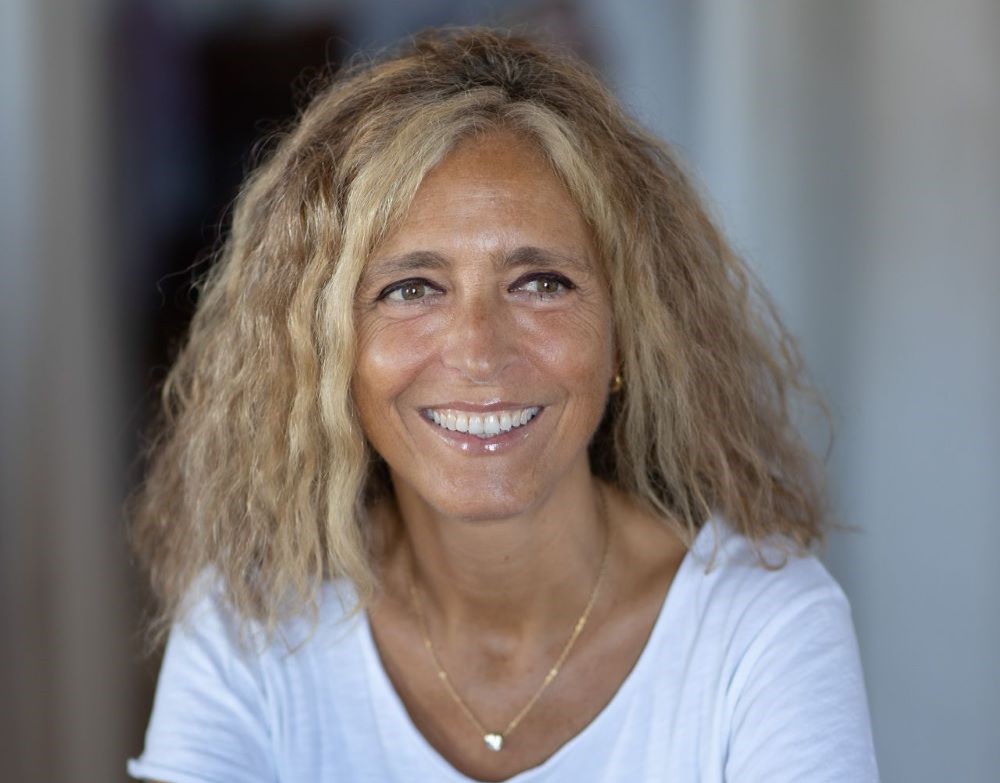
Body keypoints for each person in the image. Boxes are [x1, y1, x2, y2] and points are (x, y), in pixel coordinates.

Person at [126, 27, 880, 783]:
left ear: (627, 336)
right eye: (411, 289)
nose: (480, 352)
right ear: (328, 354)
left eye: (541, 283)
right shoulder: (250, 624)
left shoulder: (763, 631)